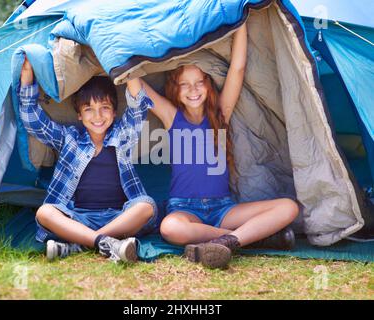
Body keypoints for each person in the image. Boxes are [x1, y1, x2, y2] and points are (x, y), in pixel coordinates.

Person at [127, 24, 299, 268]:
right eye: (184, 84)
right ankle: (247, 239)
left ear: (208, 85)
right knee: (170, 228)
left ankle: (230, 240)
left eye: (199, 82)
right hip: (185, 209)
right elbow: (136, 86)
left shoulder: (220, 115)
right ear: (175, 89)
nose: (193, 90)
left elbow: (237, 69)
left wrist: (241, 22)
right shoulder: (171, 117)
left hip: (223, 209)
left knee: (288, 207)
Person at [18, 58, 158, 262]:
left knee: (147, 206)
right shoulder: (69, 138)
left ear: (114, 111)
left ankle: (81, 245)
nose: (98, 116)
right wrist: (28, 73)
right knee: (45, 212)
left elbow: (138, 107)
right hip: (77, 218)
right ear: (79, 115)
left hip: (118, 216)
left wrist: (129, 65)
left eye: (104, 107)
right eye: (89, 109)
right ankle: (105, 242)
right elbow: (32, 119)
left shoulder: (122, 135)